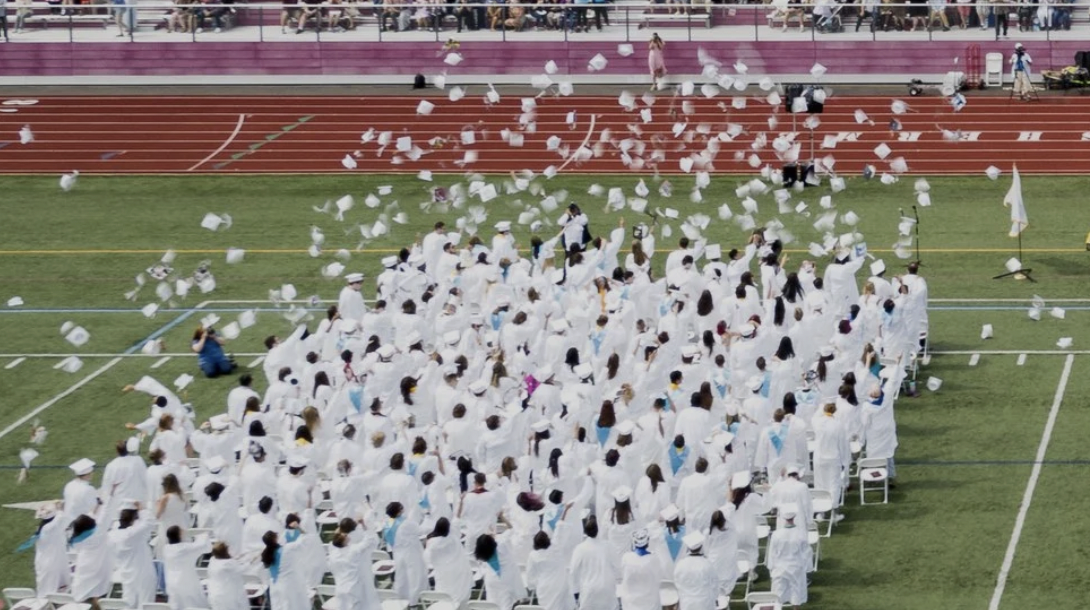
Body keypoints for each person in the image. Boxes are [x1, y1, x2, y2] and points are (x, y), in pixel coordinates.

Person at [109, 503, 157, 610]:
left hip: (125, 574)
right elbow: (150, 522)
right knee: (145, 605)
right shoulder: (132, 533)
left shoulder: (112, 535)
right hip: (143, 573)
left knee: (128, 604)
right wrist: (143, 510)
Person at [569, 516, 618, 610]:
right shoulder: (608, 546)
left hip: (589, 590)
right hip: (607, 588)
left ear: (585, 531)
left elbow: (573, 571)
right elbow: (617, 566)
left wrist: (575, 591)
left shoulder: (580, 548)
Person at [767, 504, 812, 606]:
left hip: (780, 567)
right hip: (796, 566)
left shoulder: (776, 534)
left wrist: (771, 568)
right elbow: (807, 552)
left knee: (779, 592)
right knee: (796, 591)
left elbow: (772, 553)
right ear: (794, 517)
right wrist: (807, 568)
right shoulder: (801, 533)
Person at [384, 502, 428, 605]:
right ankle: (414, 601)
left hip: (397, 553)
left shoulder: (387, 524)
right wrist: (429, 522)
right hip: (411, 552)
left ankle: (400, 599)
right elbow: (421, 531)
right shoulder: (406, 523)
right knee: (415, 576)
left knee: (401, 577)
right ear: (399, 511)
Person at [262, 515, 309, 610]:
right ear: (275, 539)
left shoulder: (266, 554)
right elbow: (305, 538)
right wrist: (298, 527)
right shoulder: (286, 549)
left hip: (275, 587)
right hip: (288, 587)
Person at [424, 518, 473, 608]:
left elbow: (427, 558)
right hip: (458, 571)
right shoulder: (453, 537)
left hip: (443, 573)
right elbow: (456, 522)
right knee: (460, 594)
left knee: (444, 596)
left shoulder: (432, 541)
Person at [27, 503, 71, 596]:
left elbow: (59, 518)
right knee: (48, 591)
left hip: (48, 560)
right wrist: (59, 509)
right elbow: (61, 517)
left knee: (53, 586)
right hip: (51, 562)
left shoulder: (43, 527)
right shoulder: (50, 528)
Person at [70, 514, 114, 607]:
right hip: (97, 567)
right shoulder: (99, 533)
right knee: (97, 595)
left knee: (89, 595)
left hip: (84, 567)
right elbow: (107, 511)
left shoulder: (76, 539)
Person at [163, 526, 211, 610]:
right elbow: (204, 546)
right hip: (186, 582)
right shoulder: (185, 548)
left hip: (171, 583)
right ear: (179, 535)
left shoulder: (166, 549)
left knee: (176, 605)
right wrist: (203, 534)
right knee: (193, 605)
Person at [474, 533, 527, 610]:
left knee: (493, 603)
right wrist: (493, 535)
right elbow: (509, 533)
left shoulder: (483, 555)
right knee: (506, 604)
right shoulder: (502, 547)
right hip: (506, 579)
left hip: (491, 579)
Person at [673, 532, 718, 610]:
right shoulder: (707, 564)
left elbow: (677, 582)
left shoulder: (681, 564)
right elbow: (714, 584)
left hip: (687, 602)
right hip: (704, 602)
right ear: (701, 547)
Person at [619, 529, 662, 610]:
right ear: (647, 542)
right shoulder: (653, 559)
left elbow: (623, 575)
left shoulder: (626, 558)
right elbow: (658, 578)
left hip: (630, 603)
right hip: (650, 603)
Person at [206, 542, 249, 610]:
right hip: (227, 595)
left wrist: (236, 558)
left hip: (214, 593)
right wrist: (251, 561)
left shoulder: (212, 560)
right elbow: (242, 569)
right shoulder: (228, 563)